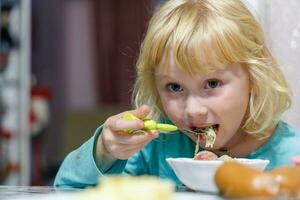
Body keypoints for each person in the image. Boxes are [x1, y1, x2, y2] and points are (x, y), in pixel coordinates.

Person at [54, 0, 300, 188]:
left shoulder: (291, 153)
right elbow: (67, 188)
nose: (193, 110)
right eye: (174, 87)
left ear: (253, 78)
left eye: (212, 83)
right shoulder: (153, 148)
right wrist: (104, 151)